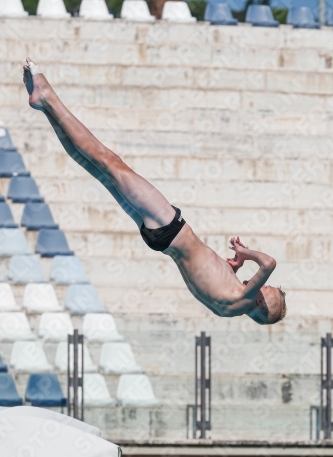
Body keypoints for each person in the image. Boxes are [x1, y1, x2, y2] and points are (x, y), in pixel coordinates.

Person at [23, 58, 286, 325]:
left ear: (262, 302)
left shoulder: (243, 297)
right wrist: (234, 266)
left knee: (108, 161)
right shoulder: (229, 303)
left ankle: (48, 96)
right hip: (162, 241)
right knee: (98, 169)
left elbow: (269, 263)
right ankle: (45, 107)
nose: (262, 284)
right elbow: (205, 272)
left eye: (267, 288)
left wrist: (246, 254)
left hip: (170, 227)